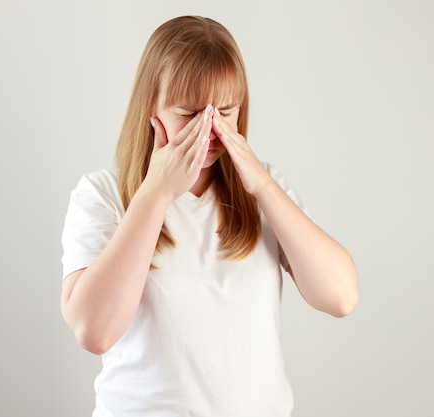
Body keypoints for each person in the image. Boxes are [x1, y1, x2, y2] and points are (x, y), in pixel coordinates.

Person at [60, 15, 358, 417]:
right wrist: (155, 194)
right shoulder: (103, 195)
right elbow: (94, 331)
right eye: (189, 113)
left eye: (227, 112)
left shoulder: (264, 191)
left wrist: (265, 188)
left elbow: (341, 297)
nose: (211, 130)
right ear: (151, 107)